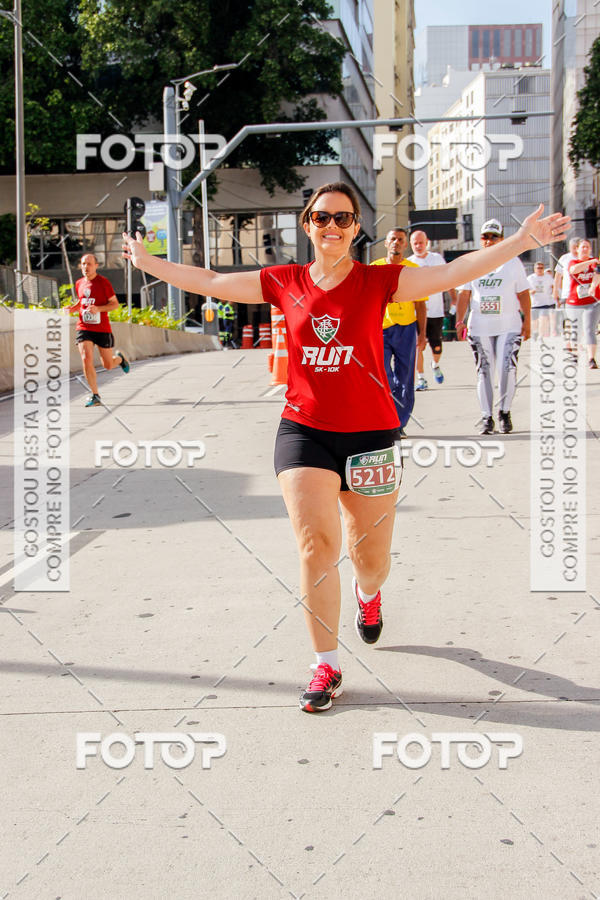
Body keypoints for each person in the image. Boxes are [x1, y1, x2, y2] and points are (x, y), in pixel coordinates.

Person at [122, 183, 569, 712]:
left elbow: (453, 273)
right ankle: (325, 665)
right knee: (316, 547)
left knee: (370, 558)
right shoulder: (283, 281)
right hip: (304, 431)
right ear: (307, 225)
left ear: (356, 228)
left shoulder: (380, 281)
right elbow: (213, 280)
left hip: (372, 435)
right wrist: (150, 261)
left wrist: (519, 242)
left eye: (343, 218)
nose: (331, 226)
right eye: (321, 217)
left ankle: (369, 595)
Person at [455, 219, 532, 435]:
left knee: (507, 369)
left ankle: (504, 412)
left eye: (493, 237)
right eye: (485, 237)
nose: (489, 241)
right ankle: (486, 417)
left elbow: (524, 293)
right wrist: (460, 320)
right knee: (484, 372)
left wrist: (528, 322)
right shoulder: (472, 262)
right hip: (480, 326)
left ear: (501, 239)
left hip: (509, 325)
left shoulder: (512, 262)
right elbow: (464, 294)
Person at [371, 229, 426, 434]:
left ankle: (399, 424)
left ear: (405, 245)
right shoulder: (374, 268)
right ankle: (386, 419)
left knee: (406, 377)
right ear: (386, 243)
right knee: (384, 375)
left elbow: (421, 304)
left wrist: (422, 334)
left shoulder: (413, 269)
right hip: (381, 329)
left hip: (407, 328)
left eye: (400, 240)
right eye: (392, 239)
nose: (396, 243)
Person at [65, 254, 130, 407]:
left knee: (108, 365)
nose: (85, 267)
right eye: (83, 264)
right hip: (84, 327)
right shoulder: (79, 283)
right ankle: (95, 395)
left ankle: (120, 359)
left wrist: (99, 309)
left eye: (89, 264)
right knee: (86, 357)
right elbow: (81, 303)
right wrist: (72, 308)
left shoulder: (103, 283)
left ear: (96, 265)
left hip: (102, 329)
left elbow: (114, 304)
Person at [408, 230, 457, 389]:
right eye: (415, 243)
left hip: (435, 312)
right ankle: (421, 378)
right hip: (415, 313)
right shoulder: (408, 262)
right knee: (417, 346)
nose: (418, 246)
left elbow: (448, 279)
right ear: (411, 244)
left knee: (436, 346)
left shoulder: (436, 259)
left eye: (421, 242)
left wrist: (454, 300)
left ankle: (435, 365)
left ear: (426, 242)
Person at [565, 238, 600, 368]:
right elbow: (574, 270)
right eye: (583, 247)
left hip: (593, 302)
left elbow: (598, 275)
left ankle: (591, 359)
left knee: (589, 329)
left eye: (587, 247)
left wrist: (593, 287)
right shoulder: (573, 262)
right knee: (576, 330)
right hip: (574, 303)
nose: (585, 249)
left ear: (590, 249)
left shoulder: (595, 265)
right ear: (577, 249)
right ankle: (574, 356)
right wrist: (591, 260)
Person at [553, 237, 581, 338]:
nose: (575, 249)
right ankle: (570, 338)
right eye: (572, 247)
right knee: (569, 317)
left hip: (583, 294)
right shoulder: (564, 258)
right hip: (567, 293)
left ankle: (578, 339)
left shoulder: (587, 257)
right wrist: (555, 291)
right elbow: (558, 276)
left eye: (576, 247)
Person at [527, 260, 555, 339]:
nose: (540, 269)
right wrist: (530, 292)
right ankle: (535, 332)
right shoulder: (530, 278)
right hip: (534, 303)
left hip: (545, 302)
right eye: (538, 268)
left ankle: (541, 335)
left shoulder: (547, 277)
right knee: (534, 321)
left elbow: (553, 285)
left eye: (541, 268)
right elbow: (525, 290)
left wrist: (552, 293)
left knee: (543, 318)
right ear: (534, 269)